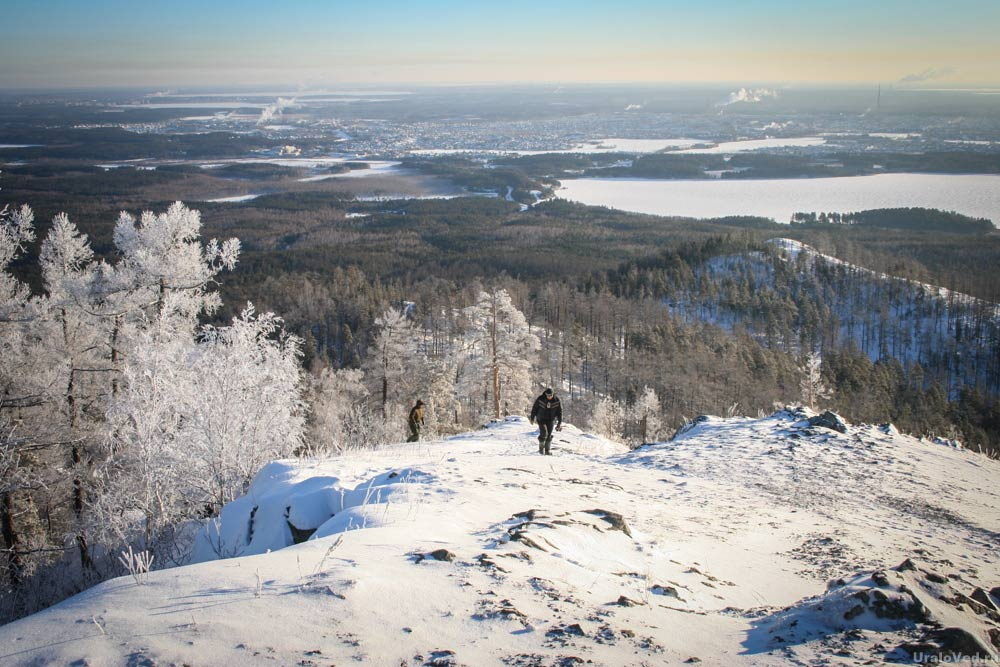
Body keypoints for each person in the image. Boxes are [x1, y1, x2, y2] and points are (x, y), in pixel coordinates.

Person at [529, 388, 562, 455]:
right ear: (546, 394)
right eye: (548, 395)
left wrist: (559, 423)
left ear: (553, 394)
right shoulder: (540, 399)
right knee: (544, 433)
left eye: (551, 395)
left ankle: (547, 451)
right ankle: (541, 449)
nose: (549, 397)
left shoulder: (556, 400)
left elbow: (559, 412)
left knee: (549, 435)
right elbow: (534, 408)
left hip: (550, 419)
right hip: (541, 419)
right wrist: (532, 418)